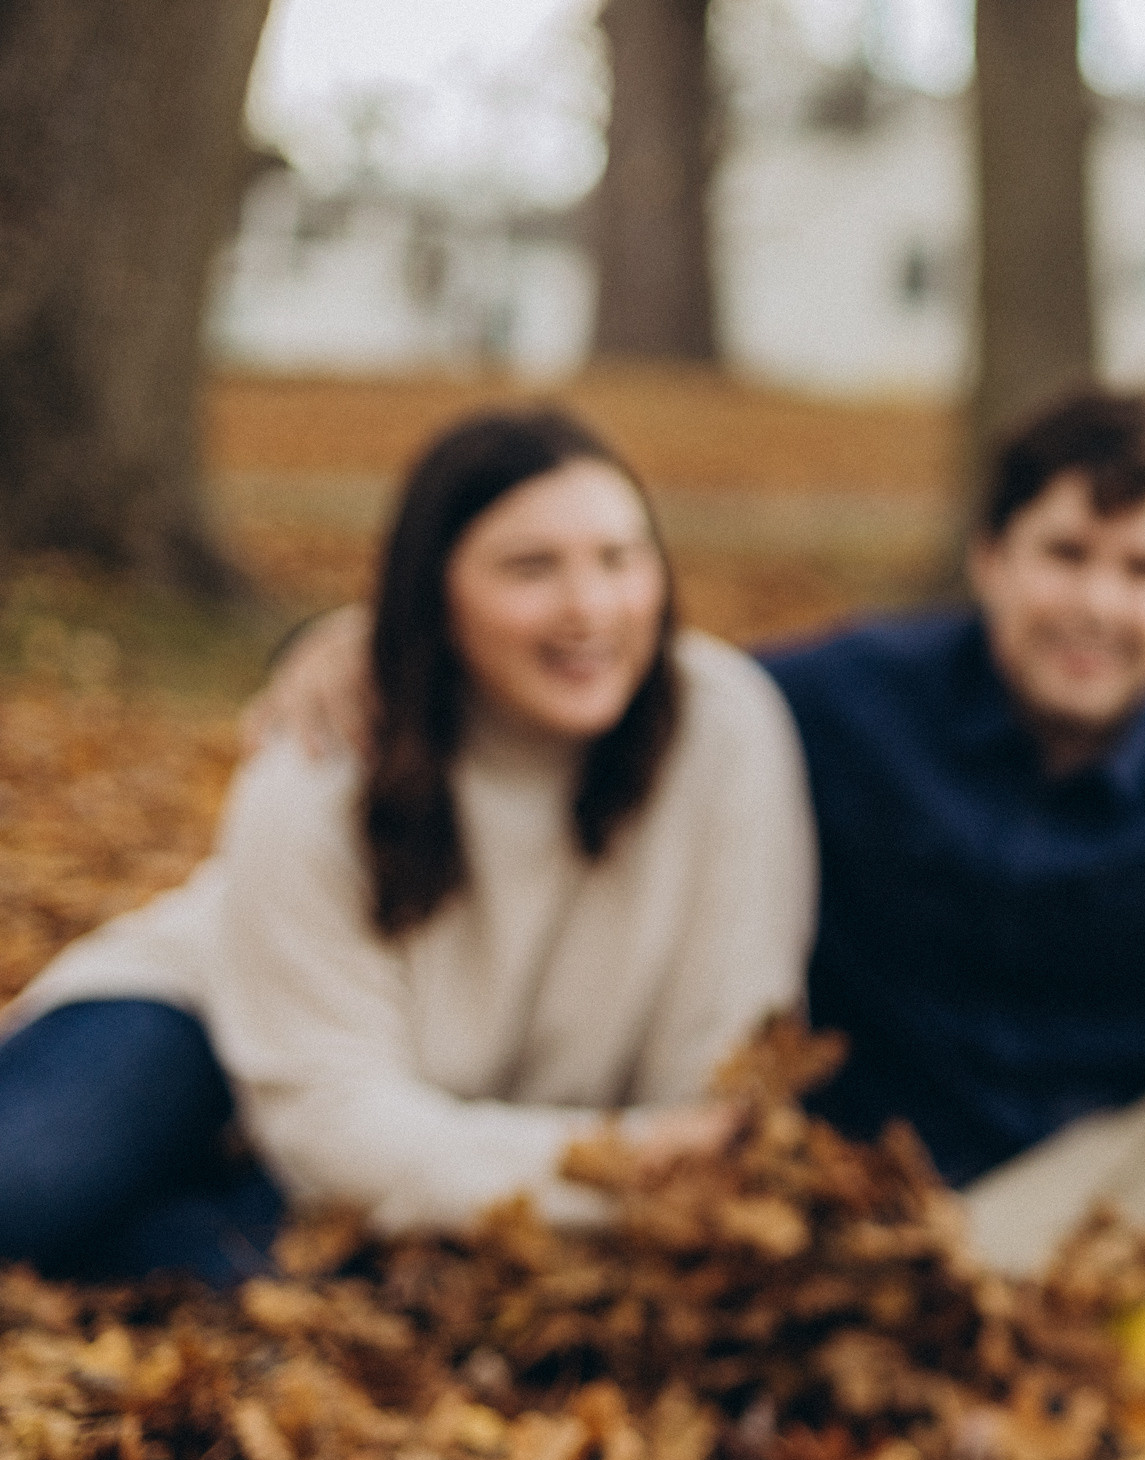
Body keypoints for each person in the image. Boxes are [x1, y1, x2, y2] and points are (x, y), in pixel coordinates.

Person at [252, 389, 1145, 1414]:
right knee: (995, 1319)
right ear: (990, 557)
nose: (1098, 604)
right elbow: (618, 680)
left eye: (1143, 572)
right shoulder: (838, 703)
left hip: (1143, 1157)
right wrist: (373, 638)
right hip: (917, 1211)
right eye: (1066, 553)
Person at [0, 407, 816, 1284]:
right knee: (29, 1188)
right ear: (433, 589)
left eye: (621, 558)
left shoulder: (726, 726)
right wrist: (620, 1165)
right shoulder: (327, 755)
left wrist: (657, 1160)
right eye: (530, 567)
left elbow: (725, 1063)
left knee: (330, 1273)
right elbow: (333, 1122)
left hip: (425, 1135)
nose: (592, 608)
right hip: (213, 1021)